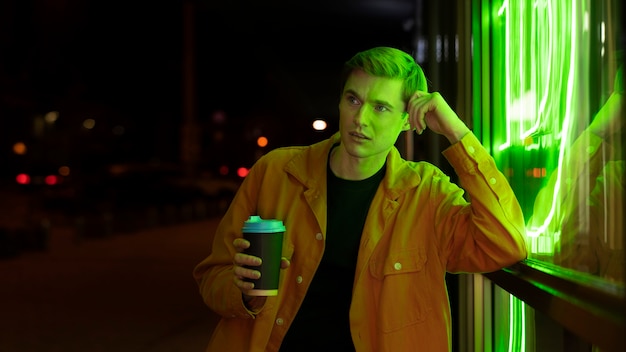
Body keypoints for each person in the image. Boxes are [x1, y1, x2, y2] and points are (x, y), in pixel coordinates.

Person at [193, 46, 528, 351]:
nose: (361, 119)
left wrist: (457, 133)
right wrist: (245, 293)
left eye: (380, 107)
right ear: (339, 101)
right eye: (353, 100)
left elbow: (505, 243)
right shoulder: (276, 172)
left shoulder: (427, 193)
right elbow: (212, 276)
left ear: (407, 121)